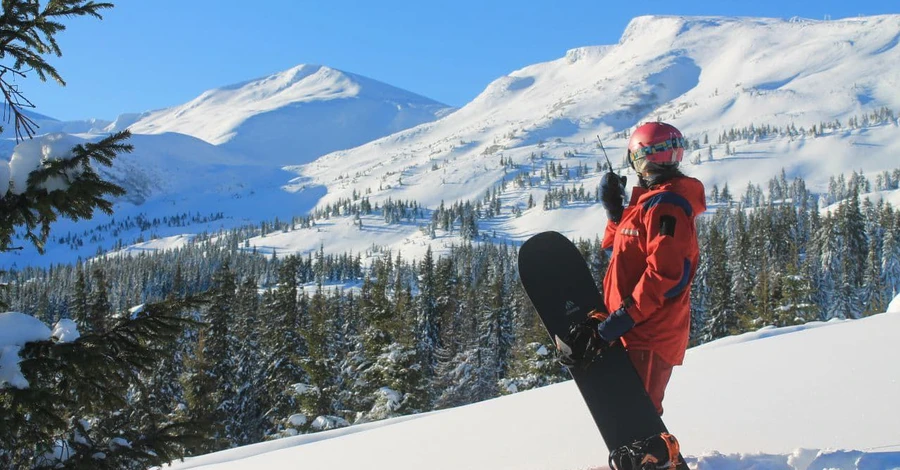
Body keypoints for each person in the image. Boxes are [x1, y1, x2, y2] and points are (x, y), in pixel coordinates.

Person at [558, 121, 706, 469]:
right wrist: (615, 212)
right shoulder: (650, 204)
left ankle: (659, 461)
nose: (646, 166)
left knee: (638, 418)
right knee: (628, 416)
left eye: (646, 159)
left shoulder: (666, 206)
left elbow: (665, 276)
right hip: (630, 326)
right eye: (643, 159)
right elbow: (621, 250)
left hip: (648, 331)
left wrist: (617, 322)